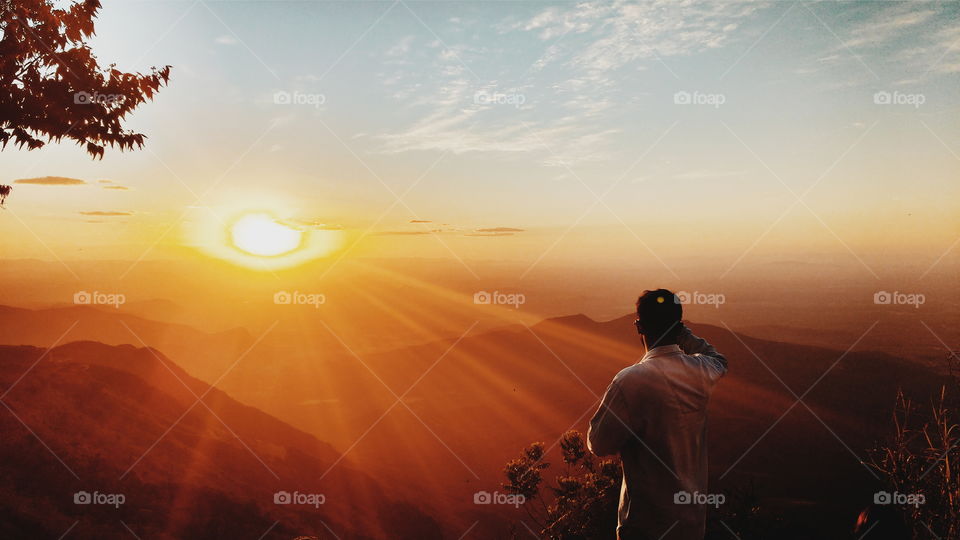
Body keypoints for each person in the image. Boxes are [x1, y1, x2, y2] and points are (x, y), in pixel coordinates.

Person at [588, 289, 728, 539]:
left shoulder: (630, 380)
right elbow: (718, 359)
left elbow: (598, 444)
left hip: (645, 526)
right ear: (678, 327)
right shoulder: (700, 371)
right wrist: (682, 333)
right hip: (691, 525)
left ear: (639, 326)